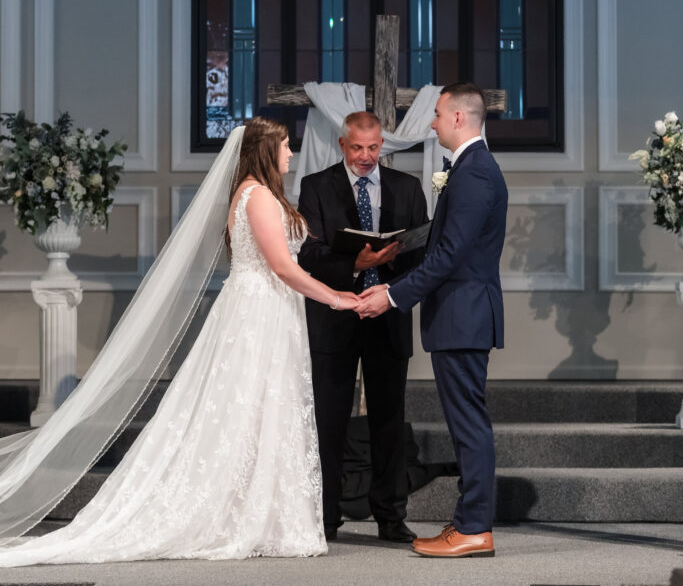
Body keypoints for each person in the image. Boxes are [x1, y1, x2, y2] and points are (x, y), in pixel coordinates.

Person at [0, 117, 359, 565]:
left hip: (266, 308)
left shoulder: (250, 193)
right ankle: (241, 515)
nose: (291, 154)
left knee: (262, 407)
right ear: (266, 150)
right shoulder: (259, 196)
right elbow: (283, 268)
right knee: (248, 405)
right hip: (260, 310)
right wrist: (337, 300)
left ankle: (260, 511)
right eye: (286, 146)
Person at [357, 83, 507, 559]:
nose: (432, 122)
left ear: (460, 118)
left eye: (438, 114)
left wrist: (393, 296)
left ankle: (475, 527)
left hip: (463, 314)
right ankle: (469, 522)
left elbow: (449, 257)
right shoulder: (467, 169)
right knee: (466, 422)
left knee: (468, 425)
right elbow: (443, 246)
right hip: (457, 314)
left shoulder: (475, 173)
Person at [298, 111, 428, 544]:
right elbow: (308, 256)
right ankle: (326, 517)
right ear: (342, 145)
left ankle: (390, 517)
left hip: (387, 314)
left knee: (388, 421)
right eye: (358, 148)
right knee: (329, 420)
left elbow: (423, 254)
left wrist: (392, 260)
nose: (367, 156)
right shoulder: (316, 186)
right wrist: (356, 263)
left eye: (374, 148)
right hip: (336, 316)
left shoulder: (407, 189)